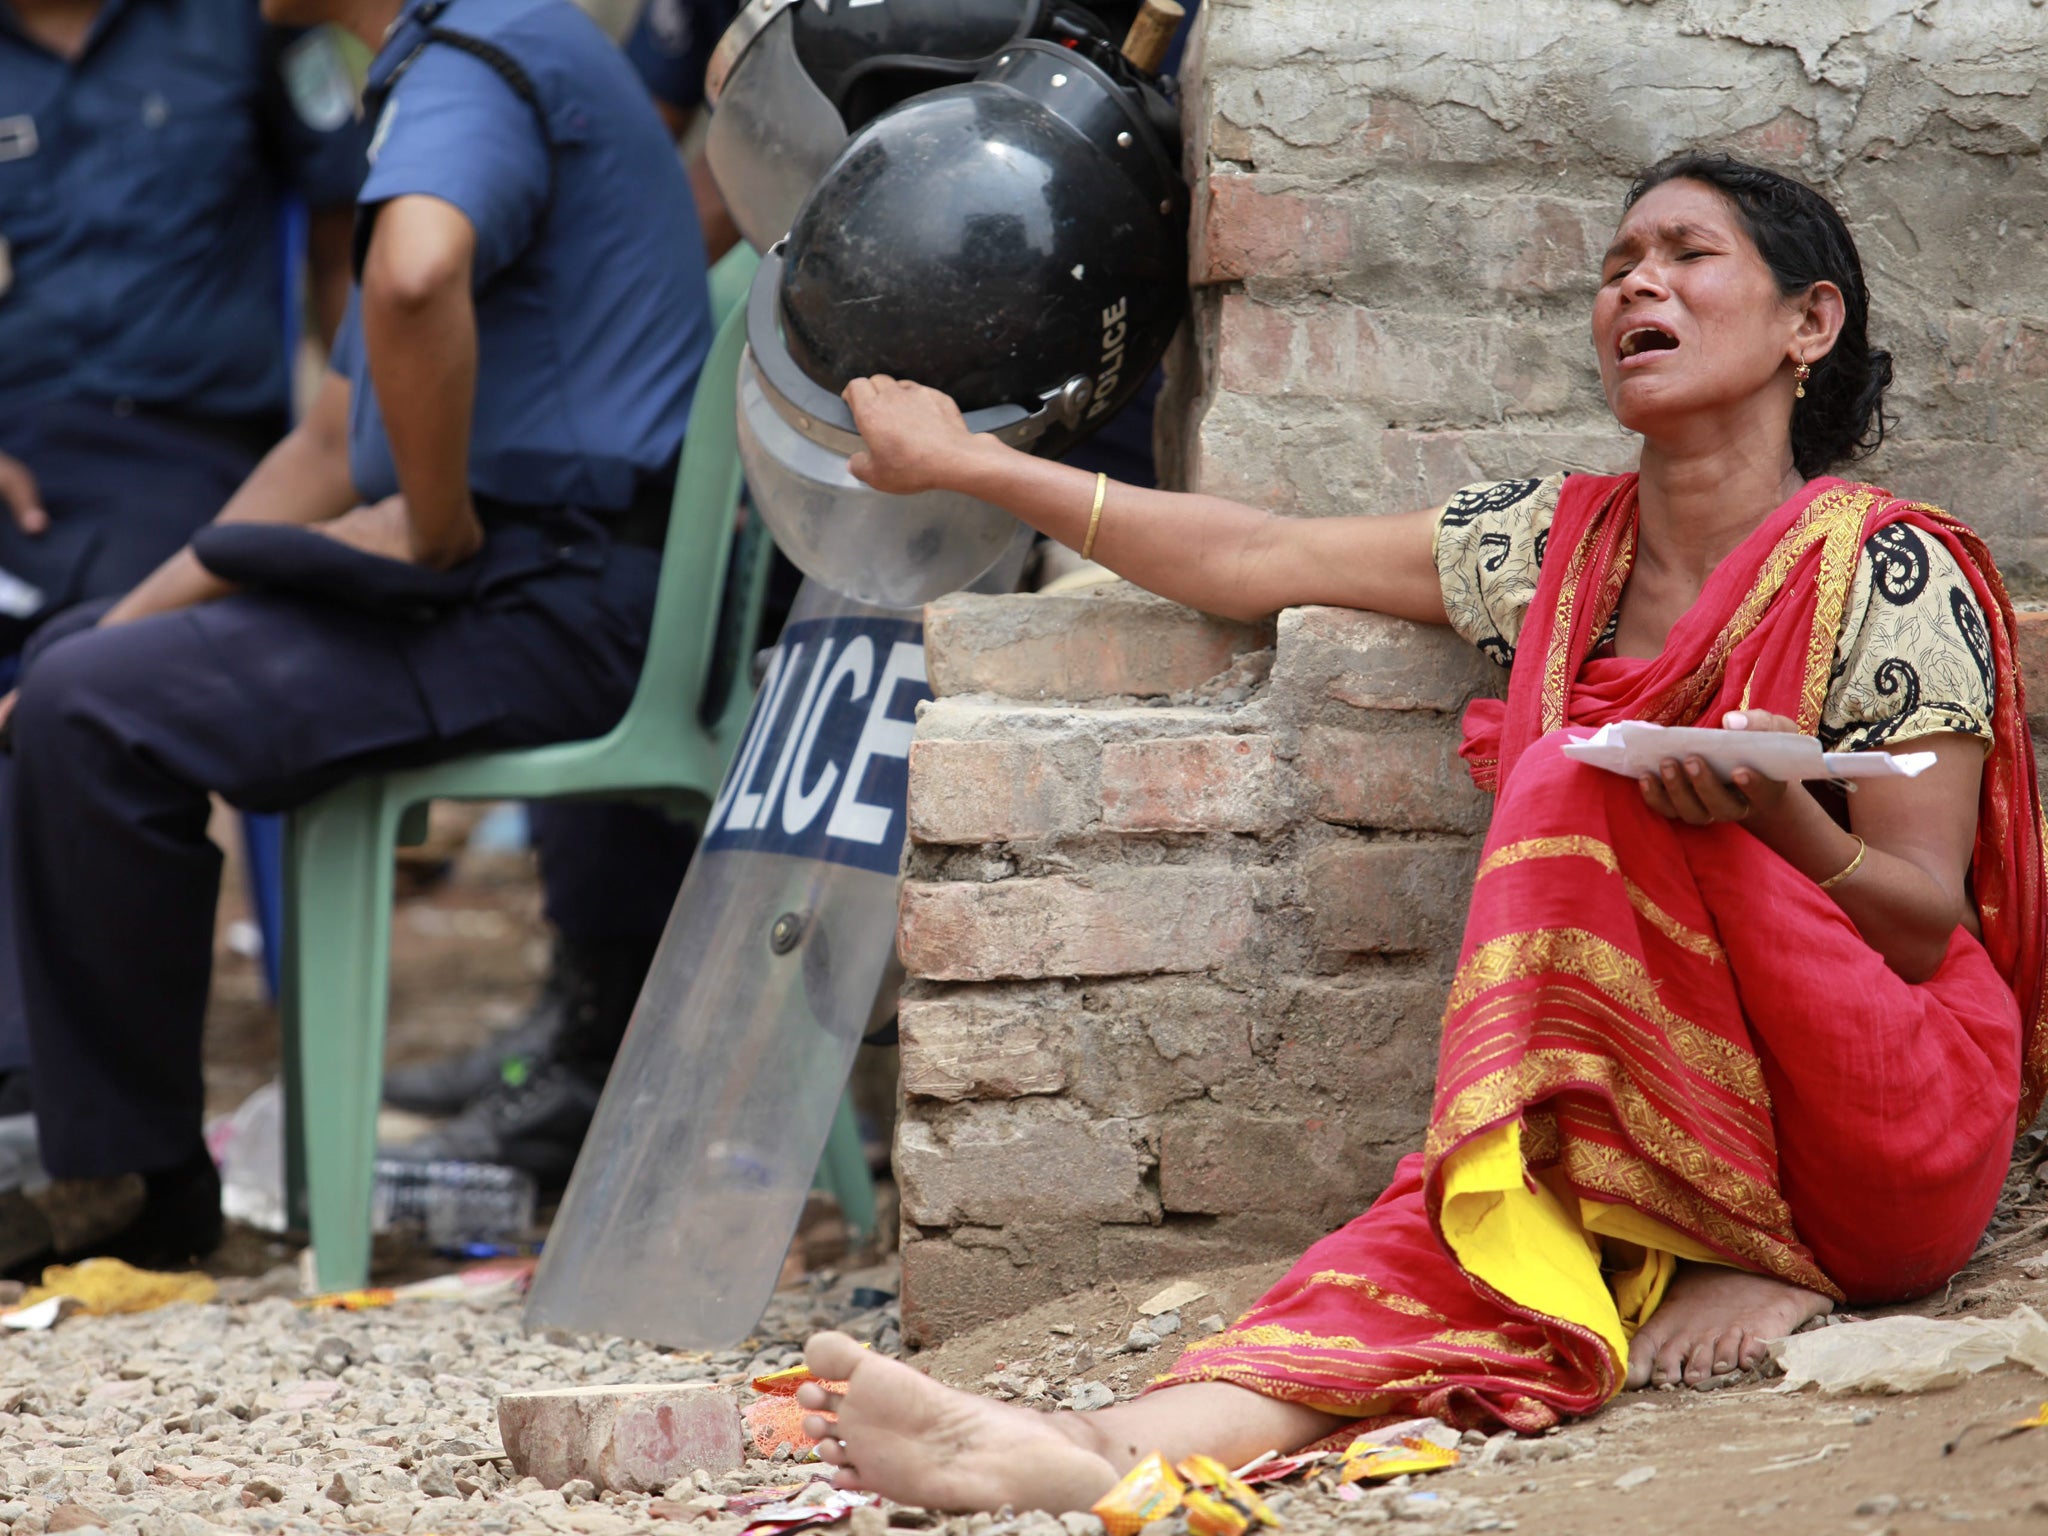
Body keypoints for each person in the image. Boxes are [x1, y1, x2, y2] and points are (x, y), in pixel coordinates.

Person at [782, 154, 2047, 1510]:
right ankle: (1101, 1448)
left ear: (1810, 324)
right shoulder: (1553, 546)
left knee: (1567, 777)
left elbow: (1931, 927)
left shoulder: (1891, 567)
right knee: (1445, 1239)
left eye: (1689, 255)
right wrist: (972, 464)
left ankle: (1784, 1260)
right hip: (1622, 1122)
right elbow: (1253, 555)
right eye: (1619, 264)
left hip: (1885, 1122)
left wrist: (1783, 820)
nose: (1639, 284)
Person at [0, 0, 713, 1270]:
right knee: (81, 677)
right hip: (532, 580)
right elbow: (330, 444)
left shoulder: (475, 50)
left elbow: (411, 272)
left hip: (549, 596)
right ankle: (115, 1165)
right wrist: (119, 625)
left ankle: (126, 1184)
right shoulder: (459, 57)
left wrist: (432, 525)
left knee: (93, 711)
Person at [378, 0, 745, 1185]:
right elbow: (652, 127)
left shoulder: (488, 50)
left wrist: (613, 285)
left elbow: (794, 152)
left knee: (584, 600)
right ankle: (583, 1021)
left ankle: (611, 1062)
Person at [0, 0, 366, 1115]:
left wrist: (360, 447)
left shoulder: (245, 28)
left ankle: (38, 1100)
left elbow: (353, 234)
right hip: (20, 443)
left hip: (187, 446)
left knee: (67, 678)